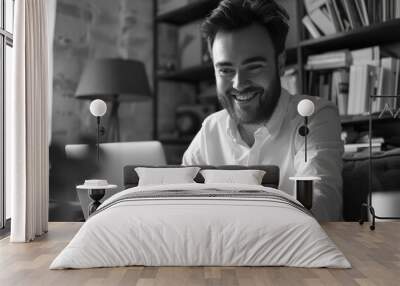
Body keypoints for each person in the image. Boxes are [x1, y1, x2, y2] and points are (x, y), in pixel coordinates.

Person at [181, 0, 344, 221]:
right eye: (225, 70)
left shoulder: (313, 117)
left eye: (254, 66)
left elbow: (321, 207)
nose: (239, 84)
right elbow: (179, 204)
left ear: (280, 63)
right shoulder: (211, 128)